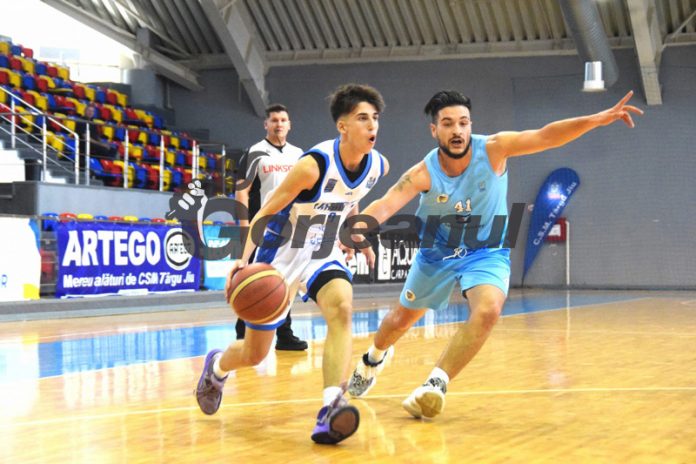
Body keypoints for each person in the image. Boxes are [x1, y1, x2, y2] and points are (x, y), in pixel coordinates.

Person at [347, 90, 643, 419]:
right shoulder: (423, 172)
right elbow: (386, 204)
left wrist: (596, 119)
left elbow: (546, 136)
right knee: (397, 322)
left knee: (488, 310)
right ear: (434, 130)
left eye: (463, 123)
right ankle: (373, 359)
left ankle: (435, 383)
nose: (457, 131)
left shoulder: (494, 149)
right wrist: (352, 231)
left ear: (471, 125)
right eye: (448, 124)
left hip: (486, 251)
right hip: (437, 253)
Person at [196, 84, 389, 444]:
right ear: (343, 126)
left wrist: (354, 233)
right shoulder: (312, 166)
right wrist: (242, 258)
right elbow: (266, 212)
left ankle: (331, 406)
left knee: (342, 308)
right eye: (363, 118)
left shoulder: (378, 165)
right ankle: (217, 368)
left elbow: (351, 196)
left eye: (375, 118)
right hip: (281, 252)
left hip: (323, 249)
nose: (372, 125)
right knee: (255, 353)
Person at [234, 104, 308, 351]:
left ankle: (284, 334)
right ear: (266, 124)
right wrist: (245, 227)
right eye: (274, 120)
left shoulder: (299, 154)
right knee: (253, 280)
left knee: (285, 281)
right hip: (262, 226)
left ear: (290, 125)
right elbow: (241, 191)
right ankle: (243, 334)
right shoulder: (255, 152)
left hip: (289, 227)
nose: (279, 124)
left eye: (283, 120)